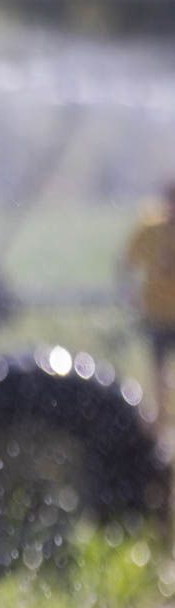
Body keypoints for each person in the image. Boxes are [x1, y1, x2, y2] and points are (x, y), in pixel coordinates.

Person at [124, 182, 175, 428]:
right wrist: (130, 294)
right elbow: (127, 265)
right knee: (159, 372)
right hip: (158, 314)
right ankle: (161, 424)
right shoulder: (151, 231)